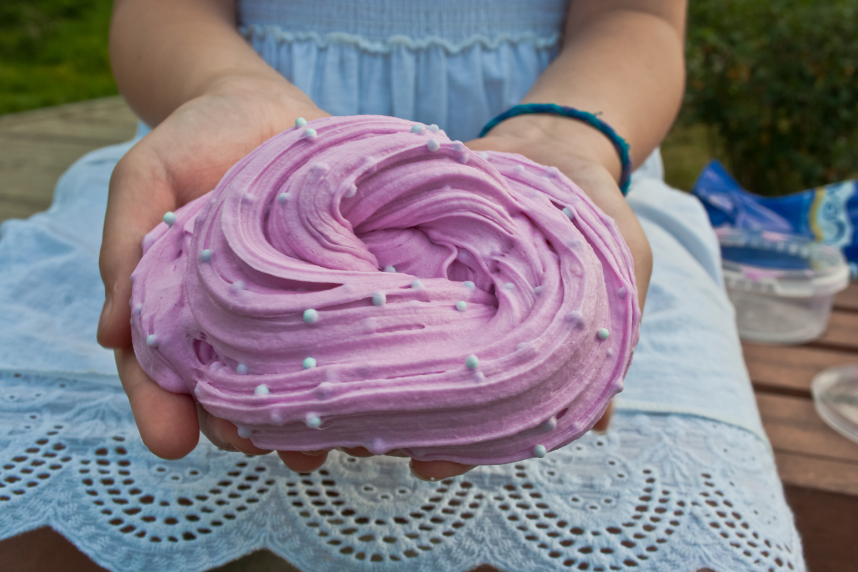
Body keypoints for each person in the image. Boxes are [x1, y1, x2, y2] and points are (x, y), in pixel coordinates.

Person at [0, 0, 806, 570]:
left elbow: (637, 19)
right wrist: (228, 90)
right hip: (240, 174)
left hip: (554, 173)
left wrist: (572, 135)